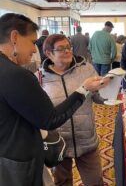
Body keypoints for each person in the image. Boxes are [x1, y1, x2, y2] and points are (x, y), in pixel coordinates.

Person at [0, 13, 108, 186]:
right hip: (21, 160)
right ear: (14, 37)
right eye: (33, 42)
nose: (34, 50)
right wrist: (83, 89)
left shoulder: (86, 68)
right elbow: (49, 119)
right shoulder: (21, 75)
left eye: (69, 47)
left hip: (83, 140)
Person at [41, 34, 105, 186]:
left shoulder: (86, 69)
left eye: (69, 47)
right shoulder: (40, 78)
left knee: (95, 182)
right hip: (59, 143)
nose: (68, 51)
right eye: (61, 49)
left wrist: (108, 89)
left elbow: (98, 98)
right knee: (62, 182)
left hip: (87, 140)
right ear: (49, 53)